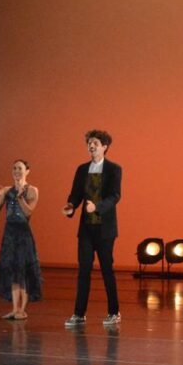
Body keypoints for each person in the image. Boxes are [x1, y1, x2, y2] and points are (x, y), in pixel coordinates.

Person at [62, 130, 122, 327]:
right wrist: (71, 206)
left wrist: (97, 207)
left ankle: (114, 312)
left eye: (95, 142)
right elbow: (75, 194)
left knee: (106, 270)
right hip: (86, 228)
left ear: (104, 146)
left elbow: (115, 196)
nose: (91, 145)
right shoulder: (82, 169)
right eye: (89, 142)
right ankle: (79, 314)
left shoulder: (114, 169)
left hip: (105, 229)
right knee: (83, 270)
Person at [0, 160, 43, 320]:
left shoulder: (32, 190)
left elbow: (28, 213)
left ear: (27, 171)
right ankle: (15, 309)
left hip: (23, 234)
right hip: (9, 233)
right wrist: (1, 196)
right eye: (14, 168)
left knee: (24, 272)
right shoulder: (7, 190)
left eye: (20, 168)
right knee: (13, 271)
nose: (16, 171)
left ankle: (22, 310)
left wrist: (20, 197)